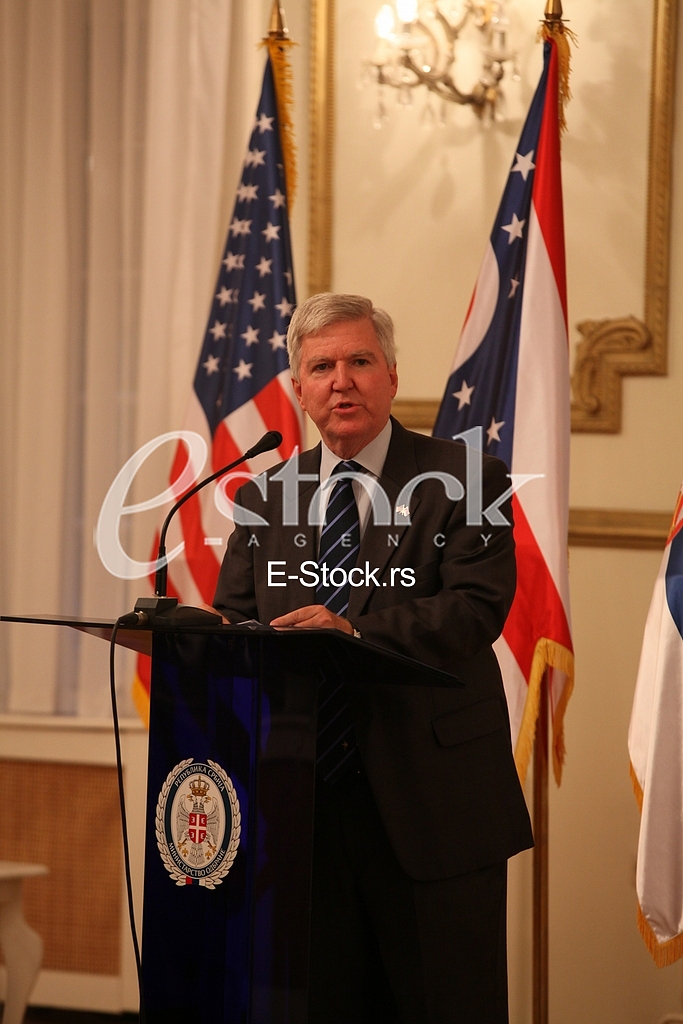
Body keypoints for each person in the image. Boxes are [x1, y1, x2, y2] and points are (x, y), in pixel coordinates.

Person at [213, 292, 533, 1024]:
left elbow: (475, 606)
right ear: (298, 390)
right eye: (321, 367)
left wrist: (351, 633)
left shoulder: (465, 476)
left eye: (359, 361)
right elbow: (236, 620)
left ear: (391, 375)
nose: (341, 381)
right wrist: (201, 634)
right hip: (303, 812)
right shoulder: (268, 497)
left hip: (431, 804)